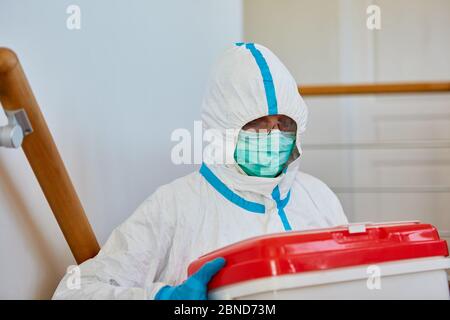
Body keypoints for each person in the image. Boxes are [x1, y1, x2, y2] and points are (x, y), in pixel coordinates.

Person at [53, 43, 348, 300]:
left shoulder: (318, 197)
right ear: (223, 127)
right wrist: (161, 297)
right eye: (258, 124)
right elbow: (75, 291)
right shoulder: (175, 206)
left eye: (283, 125)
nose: (273, 137)